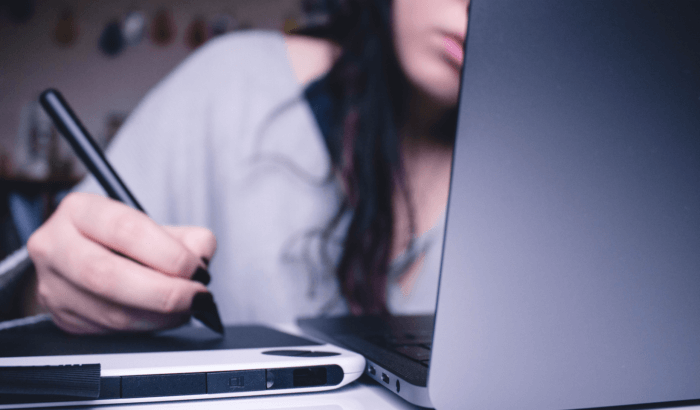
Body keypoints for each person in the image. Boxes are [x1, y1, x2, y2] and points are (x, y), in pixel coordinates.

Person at [19, 0, 469, 334]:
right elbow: (35, 295)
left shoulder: (533, 189)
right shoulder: (230, 83)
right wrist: (55, 290)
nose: (476, 7)